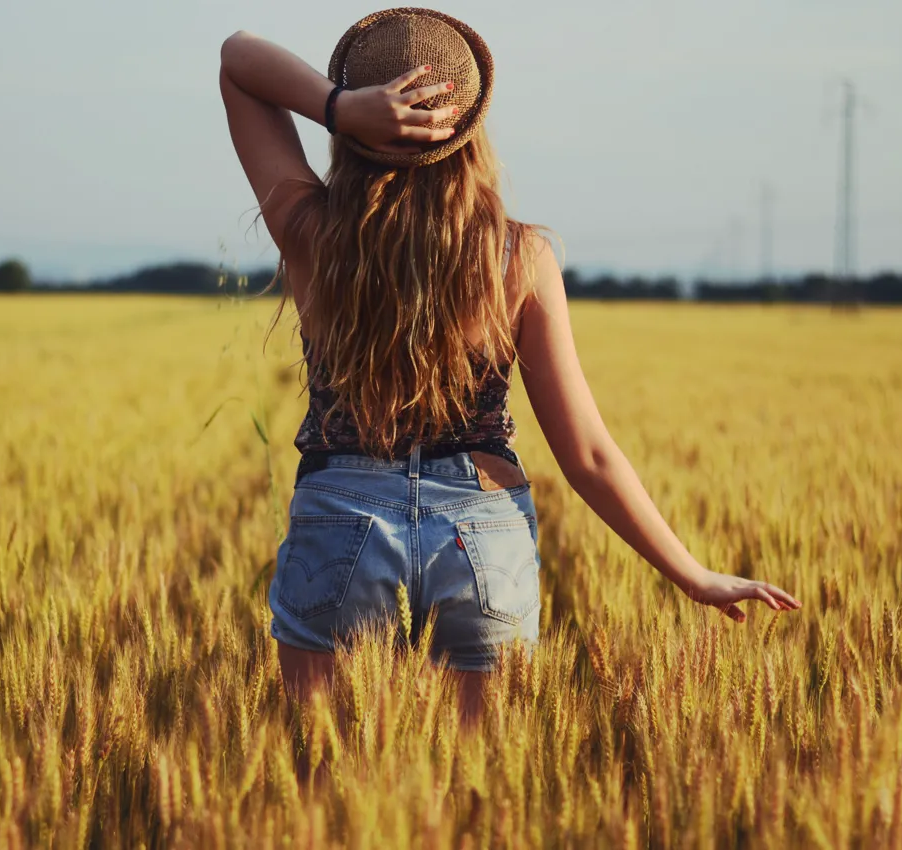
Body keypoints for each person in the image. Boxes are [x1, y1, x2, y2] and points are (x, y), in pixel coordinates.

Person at [219, 9, 800, 723]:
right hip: (483, 536)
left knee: (325, 794)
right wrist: (693, 574)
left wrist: (340, 110)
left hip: (341, 520)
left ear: (359, 135)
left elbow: (238, 60)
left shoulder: (312, 234)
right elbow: (587, 453)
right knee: (479, 805)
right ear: (470, 128)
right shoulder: (519, 258)